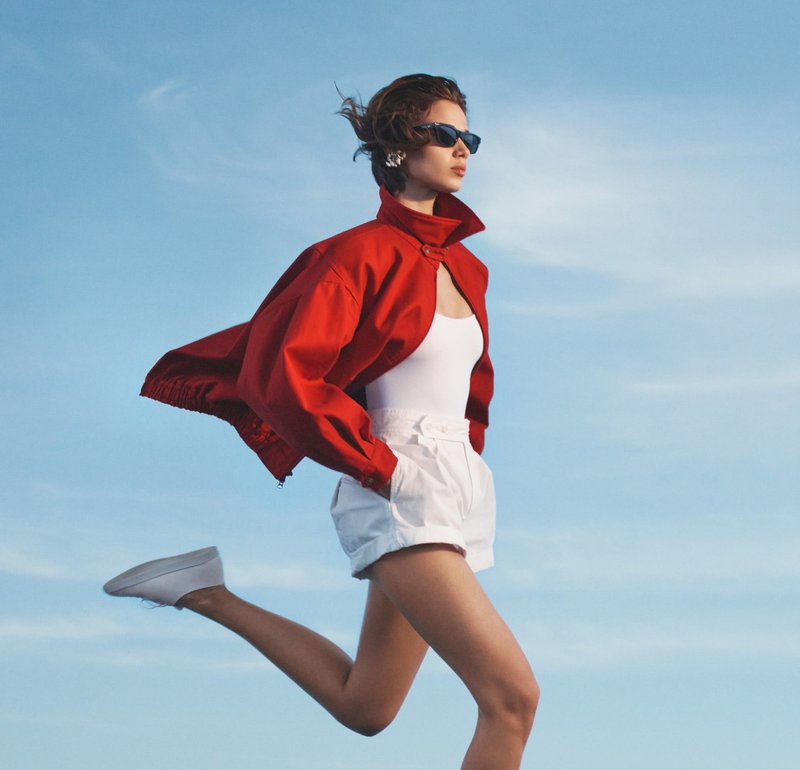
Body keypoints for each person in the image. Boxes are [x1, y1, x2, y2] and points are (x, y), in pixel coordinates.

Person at [103, 73, 539, 769]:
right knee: (511, 699)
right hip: (395, 479)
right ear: (398, 146)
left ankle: (205, 592)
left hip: (455, 480)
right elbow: (286, 374)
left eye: (470, 138)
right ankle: (208, 589)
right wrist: (383, 467)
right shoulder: (352, 255)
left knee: (366, 705)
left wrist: (466, 466)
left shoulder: (469, 268)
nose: (463, 150)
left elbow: (470, 389)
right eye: (444, 134)